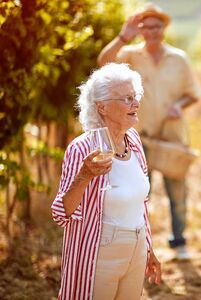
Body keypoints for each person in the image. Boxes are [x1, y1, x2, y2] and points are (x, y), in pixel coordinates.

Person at [97, 3, 200, 259]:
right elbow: (103, 63)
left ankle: (179, 242)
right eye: (147, 27)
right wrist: (123, 36)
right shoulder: (130, 55)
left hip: (171, 135)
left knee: (177, 191)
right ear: (140, 30)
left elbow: (192, 94)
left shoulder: (179, 59)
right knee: (140, 192)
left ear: (164, 28)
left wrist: (179, 105)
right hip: (136, 137)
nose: (153, 31)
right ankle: (140, 244)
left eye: (157, 26)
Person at [51, 63, 161, 300]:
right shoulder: (81, 148)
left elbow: (140, 201)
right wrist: (85, 175)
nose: (136, 104)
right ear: (102, 107)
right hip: (100, 251)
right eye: (127, 98)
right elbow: (61, 214)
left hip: (137, 245)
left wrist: (149, 248)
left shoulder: (132, 139)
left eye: (136, 96)